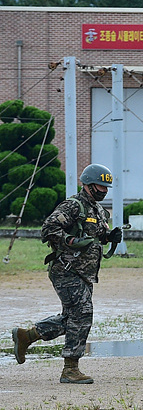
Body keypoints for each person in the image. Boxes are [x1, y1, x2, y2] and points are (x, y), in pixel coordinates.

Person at [11, 164, 121, 384]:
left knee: (72, 319)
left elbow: (95, 236)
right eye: (101, 186)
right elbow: (48, 228)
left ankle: (28, 336)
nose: (104, 190)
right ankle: (70, 369)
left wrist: (109, 237)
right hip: (66, 269)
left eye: (107, 187)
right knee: (83, 315)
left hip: (85, 273)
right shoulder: (73, 205)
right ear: (89, 184)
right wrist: (70, 241)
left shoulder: (98, 211)